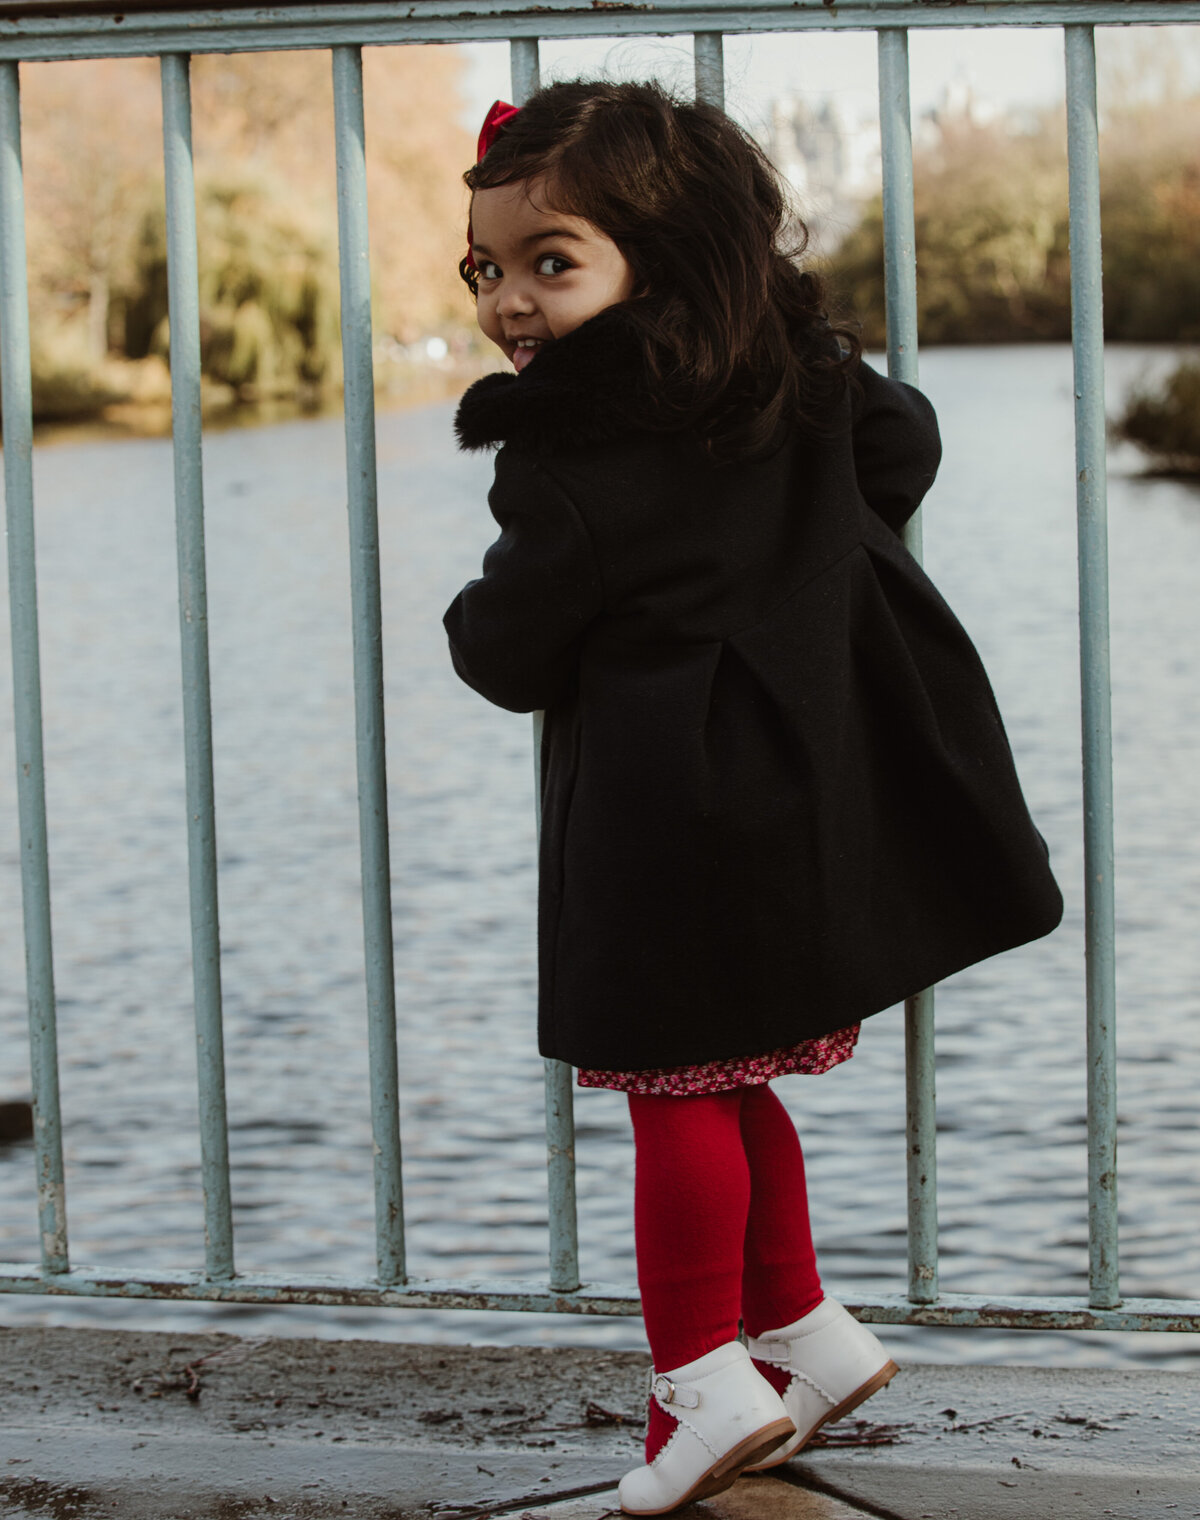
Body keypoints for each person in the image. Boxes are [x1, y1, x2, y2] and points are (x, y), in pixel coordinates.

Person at [444, 81, 1063, 1516]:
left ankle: (702, 1385)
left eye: (552, 261)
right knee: (726, 1077)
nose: (511, 304)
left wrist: (480, 627)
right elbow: (903, 447)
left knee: (671, 1098)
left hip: (670, 821)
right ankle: (805, 1331)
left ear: (658, 255)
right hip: (803, 793)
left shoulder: (573, 452)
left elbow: (512, 644)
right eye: (487, 269)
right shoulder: (798, 379)